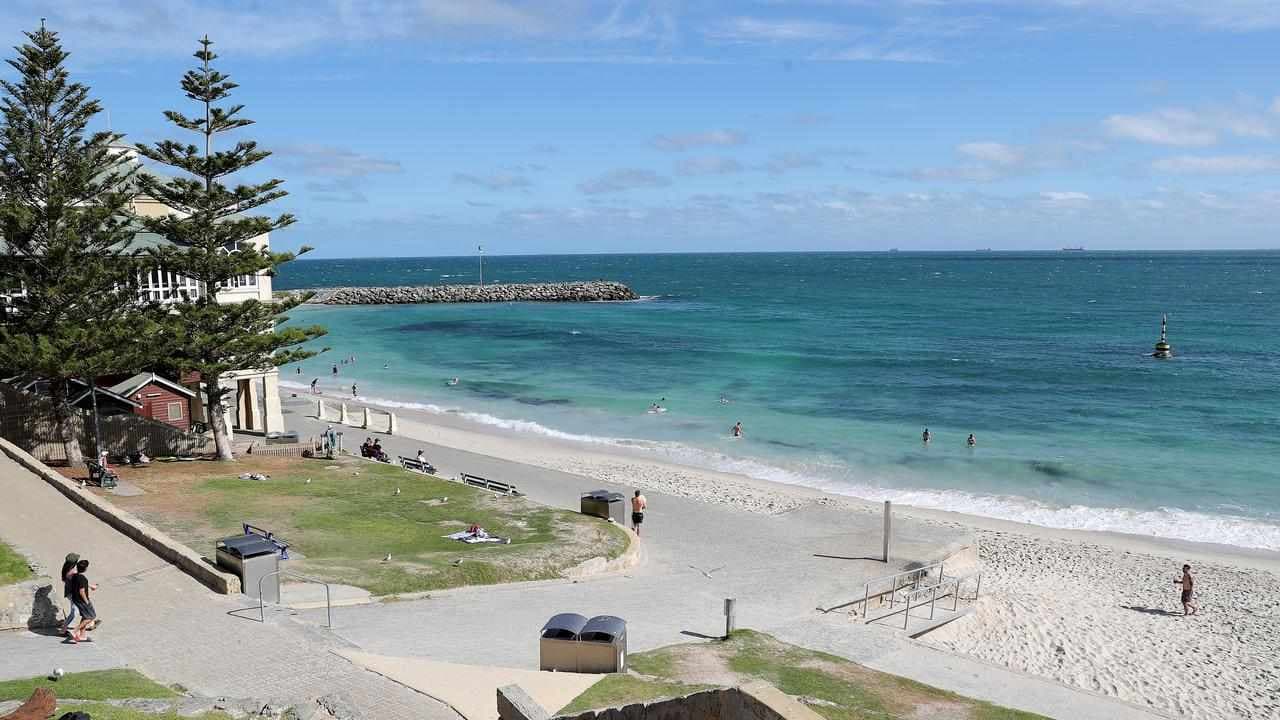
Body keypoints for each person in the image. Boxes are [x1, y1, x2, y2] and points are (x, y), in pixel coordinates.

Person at [69, 559, 97, 643]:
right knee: (91, 616)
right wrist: (86, 601)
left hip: (76, 599)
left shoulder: (75, 575)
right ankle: (74, 630)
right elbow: (82, 591)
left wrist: (90, 586)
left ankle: (82, 635)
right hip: (82, 600)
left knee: (85, 616)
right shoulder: (82, 578)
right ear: (86, 568)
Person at [59, 553, 79, 636]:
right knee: (74, 612)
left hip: (69, 592)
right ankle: (63, 630)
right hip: (73, 594)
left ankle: (90, 622)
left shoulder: (65, 568)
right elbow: (79, 584)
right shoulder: (72, 572)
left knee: (84, 607)